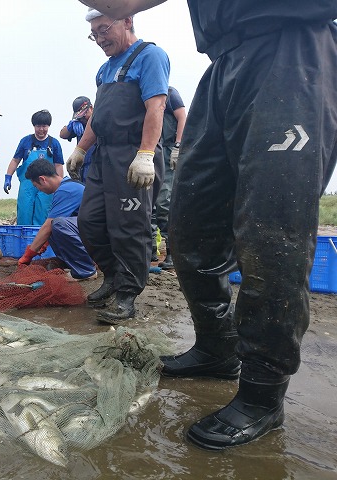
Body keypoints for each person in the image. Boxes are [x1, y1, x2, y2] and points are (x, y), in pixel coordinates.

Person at [78, 0, 337, 451]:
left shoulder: (147, 56)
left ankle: (263, 394)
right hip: (222, 65)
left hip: (291, 51)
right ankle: (218, 348)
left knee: (272, 235)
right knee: (189, 228)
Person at [65, 9, 168, 322]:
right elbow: (97, 118)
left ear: (127, 21)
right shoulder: (104, 70)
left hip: (133, 156)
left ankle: (127, 294)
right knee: (89, 221)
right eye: (94, 34)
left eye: (104, 30)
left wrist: (146, 153)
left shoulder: (150, 56)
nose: (99, 39)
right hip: (104, 158)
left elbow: (157, 107)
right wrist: (81, 149)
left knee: (129, 228)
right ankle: (112, 276)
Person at [19, 159, 96, 280]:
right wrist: (43, 242)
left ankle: (85, 271)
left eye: (36, 186)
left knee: (57, 224)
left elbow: (48, 226)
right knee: (54, 227)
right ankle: (76, 265)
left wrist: (28, 255)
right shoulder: (66, 186)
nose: (38, 190)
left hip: (101, 234)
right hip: (92, 231)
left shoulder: (66, 190)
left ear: (42, 179)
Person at [4, 110, 64, 225]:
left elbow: (58, 165)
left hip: (47, 187)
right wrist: (8, 177)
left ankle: (41, 241)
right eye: (38, 126)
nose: (41, 129)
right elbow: (15, 160)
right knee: (24, 212)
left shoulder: (54, 143)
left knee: (43, 214)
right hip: (27, 186)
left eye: (44, 126)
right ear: (34, 126)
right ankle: (24, 241)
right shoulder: (25, 141)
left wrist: (59, 186)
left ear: (48, 126)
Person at [152, 86, 186, 269]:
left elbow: (182, 116)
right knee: (149, 204)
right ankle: (149, 251)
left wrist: (178, 145)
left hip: (167, 150)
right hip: (151, 150)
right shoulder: (145, 93)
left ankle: (173, 253)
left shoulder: (170, 92)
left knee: (164, 201)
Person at [59, 96, 96, 183]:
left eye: (84, 115)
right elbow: (62, 134)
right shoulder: (80, 125)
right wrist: (71, 125)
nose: (82, 119)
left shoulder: (99, 122)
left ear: (91, 108)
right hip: (83, 167)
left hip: (97, 165)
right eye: (80, 117)